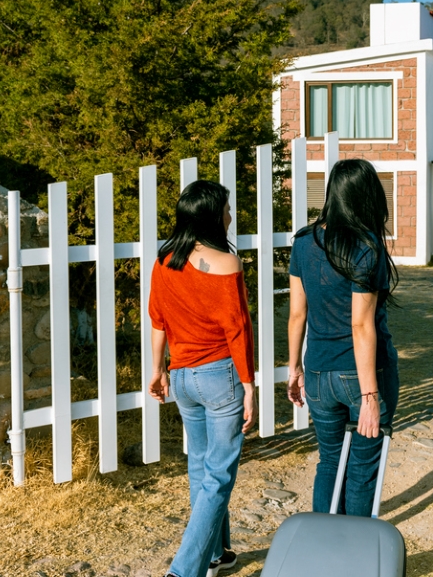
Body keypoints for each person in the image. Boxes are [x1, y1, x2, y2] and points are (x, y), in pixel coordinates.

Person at [148, 180, 257, 577]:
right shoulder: (228, 264)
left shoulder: (164, 260)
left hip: (182, 377)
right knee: (218, 476)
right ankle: (184, 570)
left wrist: (158, 368)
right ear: (212, 216)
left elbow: (157, 318)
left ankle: (214, 555)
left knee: (200, 467)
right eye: (227, 209)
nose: (230, 216)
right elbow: (238, 330)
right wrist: (249, 386)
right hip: (220, 377)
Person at [286, 158, 400, 517]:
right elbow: (361, 325)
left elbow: (296, 314)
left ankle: (323, 553)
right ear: (369, 197)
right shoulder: (366, 248)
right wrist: (369, 395)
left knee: (330, 462)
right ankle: (354, 557)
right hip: (361, 376)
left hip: (318, 373)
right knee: (362, 471)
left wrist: (294, 369)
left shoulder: (304, 242)